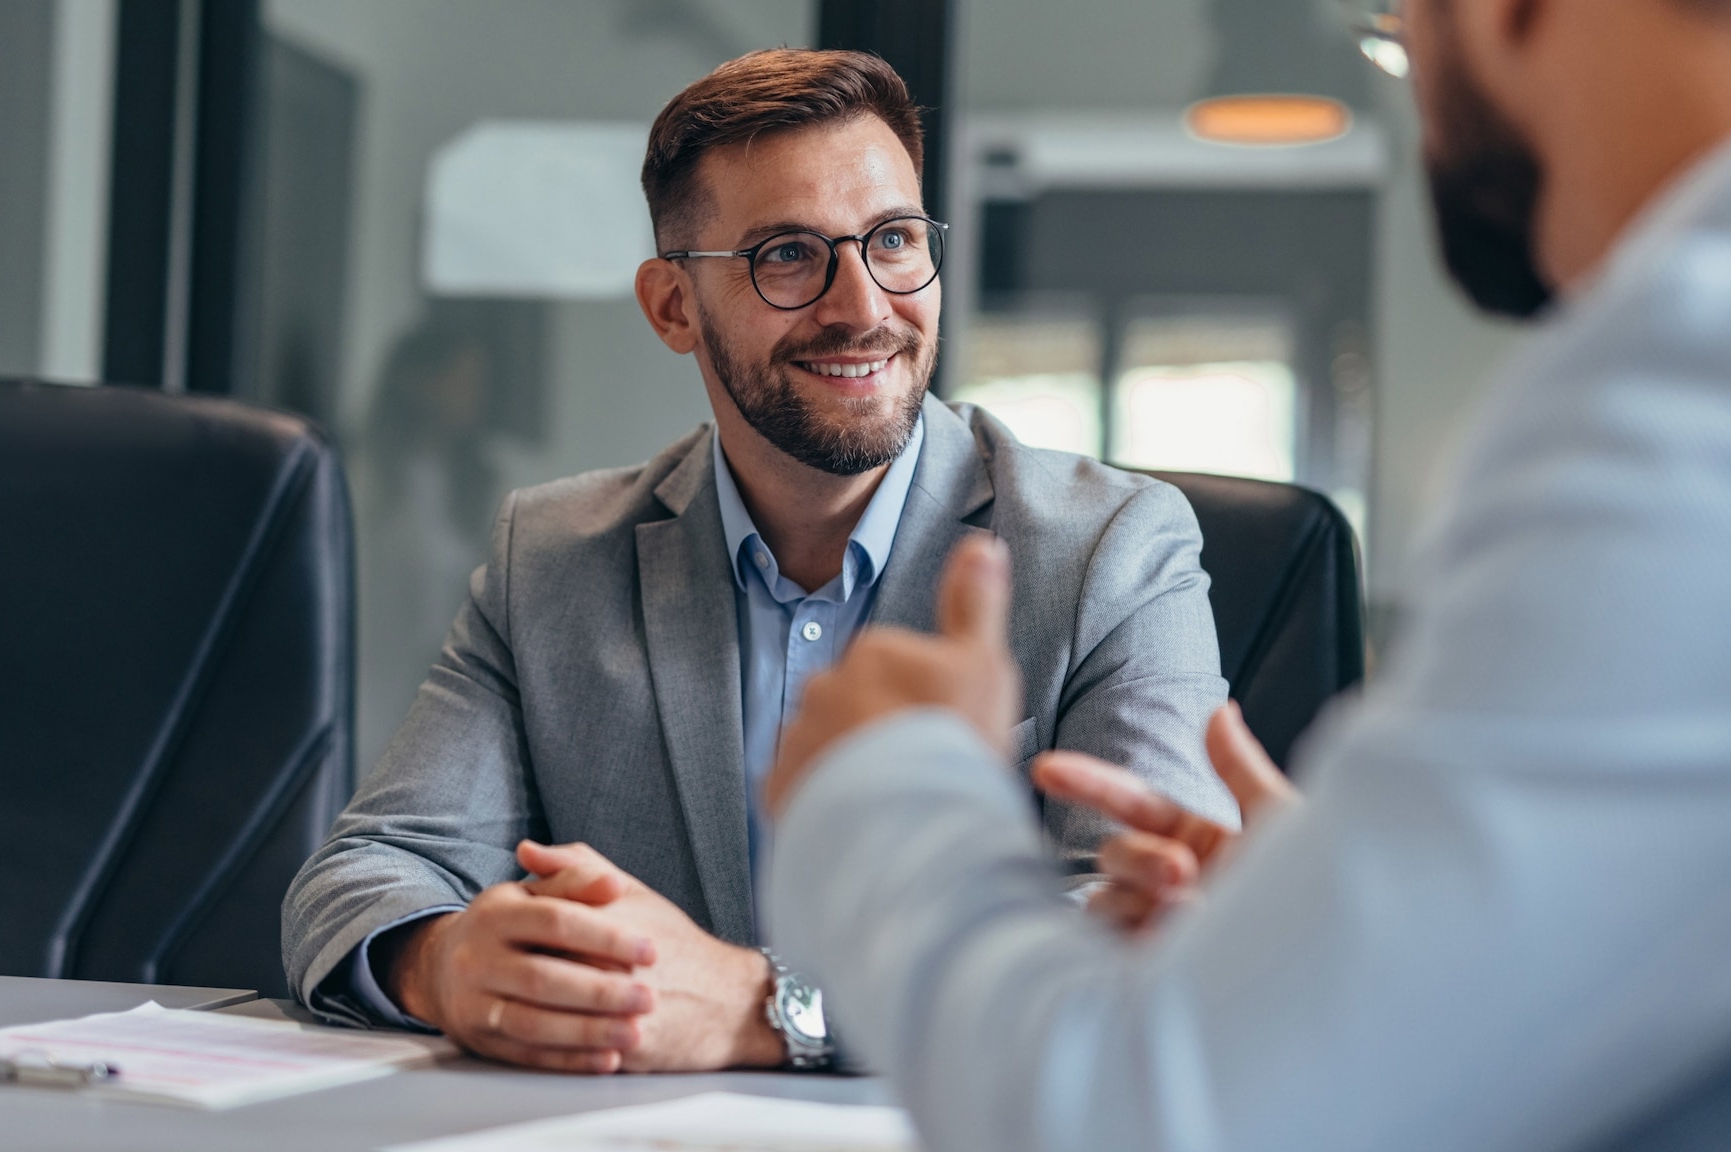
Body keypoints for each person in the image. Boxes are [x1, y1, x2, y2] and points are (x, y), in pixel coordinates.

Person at [761, 0, 1731, 1148]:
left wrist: (883, 791)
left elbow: (1137, 1120)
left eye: (1396, 20)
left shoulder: (1730, 375)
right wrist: (1362, 946)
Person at [281, 48, 1237, 1074]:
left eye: (894, 241)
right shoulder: (554, 558)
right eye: (787, 255)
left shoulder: (1108, 550)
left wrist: (768, 1011)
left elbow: (1156, 938)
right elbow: (366, 873)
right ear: (671, 308)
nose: (864, 306)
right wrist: (448, 960)